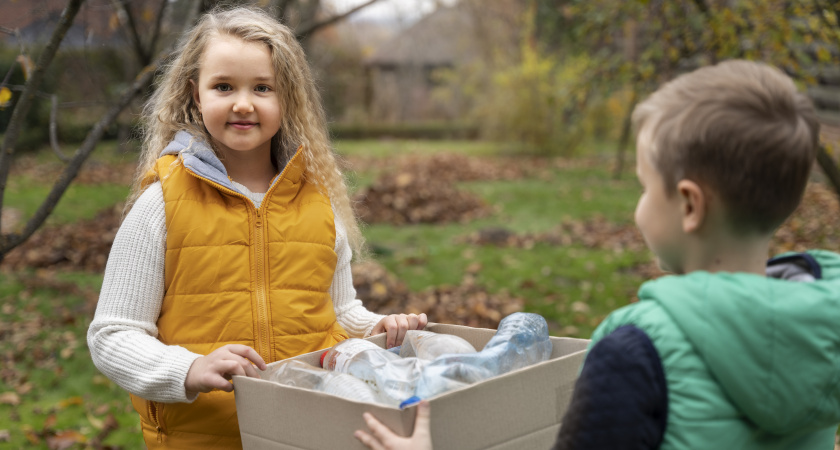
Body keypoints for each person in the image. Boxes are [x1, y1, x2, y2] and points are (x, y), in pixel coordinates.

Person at [356, 59, 840, 449]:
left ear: (689, 205)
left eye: (644, 187)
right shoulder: (822, 323)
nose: (639, 204)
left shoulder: (634, 352)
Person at [87, 6, 426, 449]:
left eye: (262, 88)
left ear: (287, 97)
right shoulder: (162, 204)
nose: (243, 103)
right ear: (195, 93)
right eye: (224, 86)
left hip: (307, 434)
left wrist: (381, 327)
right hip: (204, 438)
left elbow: (339, 314)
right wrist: (188, 369)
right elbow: (112, 335)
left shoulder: (318, 201)